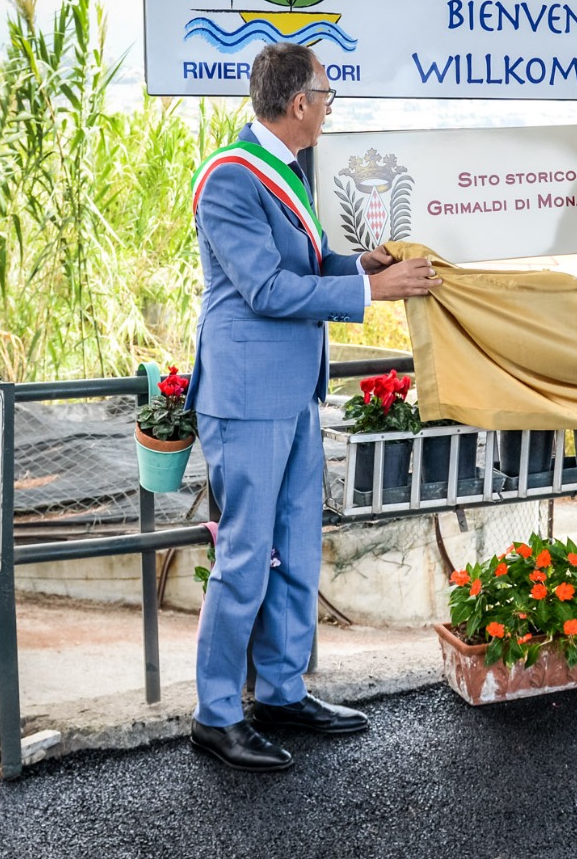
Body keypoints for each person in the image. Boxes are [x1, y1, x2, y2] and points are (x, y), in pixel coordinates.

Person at [187, 44, 437, 772]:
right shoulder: (231, 179)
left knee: (296, 545)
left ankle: (283, 689)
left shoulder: (286, 171)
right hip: (246, 395)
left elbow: (305, 264)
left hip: (292, 390)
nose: (330, 107)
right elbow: (265, 288)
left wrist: (359, 266)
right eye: (327, 94)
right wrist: (372, 296)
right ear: (299, 103)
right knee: (243, 557)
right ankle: (217, 712)